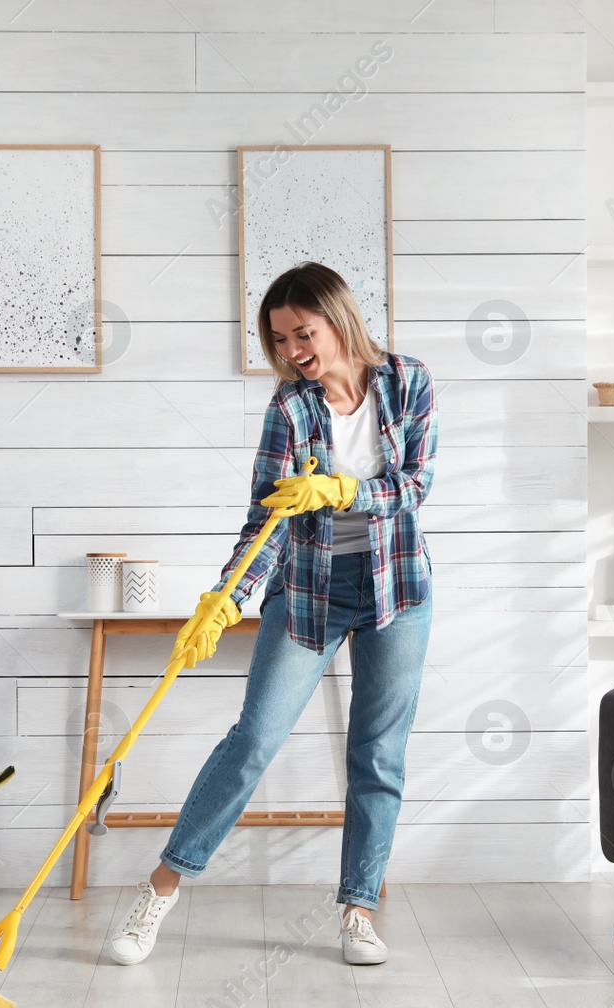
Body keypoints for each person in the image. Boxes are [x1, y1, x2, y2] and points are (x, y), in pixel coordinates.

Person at [107, 261, 438, 967]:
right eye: (280, 339)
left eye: (303, 332)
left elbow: (415, 484)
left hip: (397, 589)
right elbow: (266, 521)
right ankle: (160, 888)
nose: (293, 350)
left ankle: (358, 909)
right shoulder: (289, 408)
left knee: (378, 754)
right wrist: (224, 598)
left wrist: (344, 490)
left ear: (338, 319)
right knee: (253, 740)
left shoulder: (408, 380)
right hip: (310, 589)